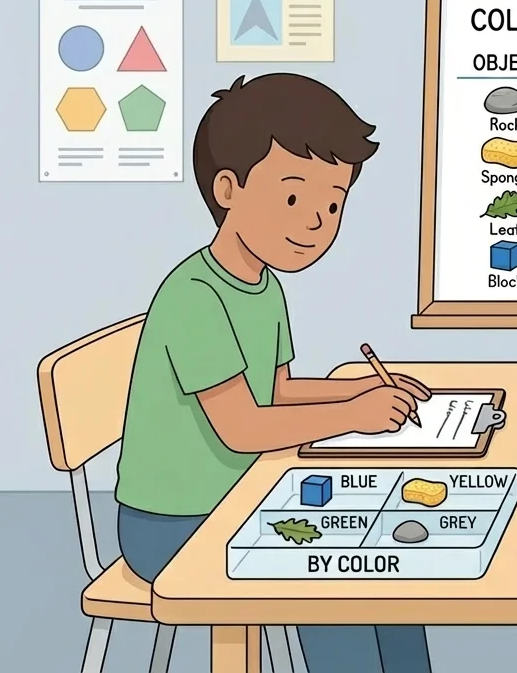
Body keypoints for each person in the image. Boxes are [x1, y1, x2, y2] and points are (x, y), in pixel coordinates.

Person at [114, 73, 435, 672]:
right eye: (294, 198)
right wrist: (351, 416)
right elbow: (240, 427)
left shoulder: (264, 285)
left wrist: (358, 388)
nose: (317, 221)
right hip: (174, 522)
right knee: (331, 578)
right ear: (229, 188)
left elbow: (277, 390)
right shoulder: (194, 298)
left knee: (390, 564)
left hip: (243, 496)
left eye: (333, 203)